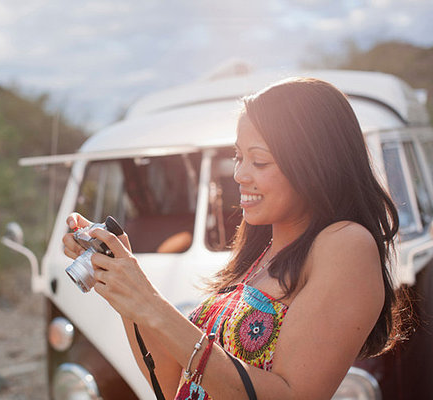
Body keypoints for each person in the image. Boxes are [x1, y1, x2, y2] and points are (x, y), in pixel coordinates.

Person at [63, 77, 401, 399]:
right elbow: (174, 386)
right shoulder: (258, 256)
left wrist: (150, 302)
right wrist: (124, 286)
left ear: (315, 163)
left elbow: (292, 396)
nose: (240, 174)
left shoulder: (345, 245)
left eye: (259, 161)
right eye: (238, 157)